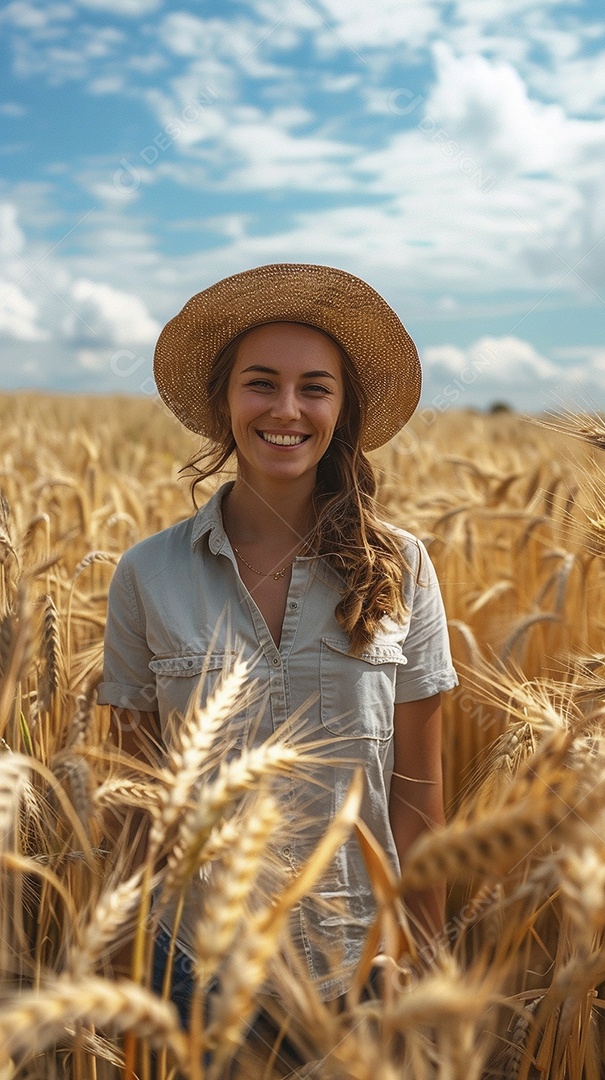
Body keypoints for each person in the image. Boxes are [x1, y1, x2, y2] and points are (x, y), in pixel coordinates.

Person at [97, 262, 458, 1046]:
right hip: (189, 966)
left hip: (359, 965)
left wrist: (424, 963)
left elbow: (419, 799)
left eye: (314, 388)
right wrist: (125, 970)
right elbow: (136, 804)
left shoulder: (403, 567)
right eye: (260, 384)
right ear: (224, 405)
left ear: (343, 410)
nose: (286, 410)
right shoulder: (147, 574)